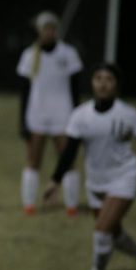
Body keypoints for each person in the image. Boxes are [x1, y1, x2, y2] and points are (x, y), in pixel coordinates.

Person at [43, 62, 136, 270]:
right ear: (92, 83)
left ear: (116, 85)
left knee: (101, 230)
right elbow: (69, 152)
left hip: (123, 178)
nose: (103, 84)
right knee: (113, 233)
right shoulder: (80, 115)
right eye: (98, 79)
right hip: (96, 181)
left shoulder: (128, 114)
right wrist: (54, 180)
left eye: (109, 80)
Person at [17, 11, 83, 216]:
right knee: (33, 160)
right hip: (36, 113)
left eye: (52, 28)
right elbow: (24, 91)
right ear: (38, 31)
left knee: (67, 159)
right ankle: (29, 204)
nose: (49, 32)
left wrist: (76, 115)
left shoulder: (68, 53)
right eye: (45, 28)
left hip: (63, 114)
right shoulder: (29, 55)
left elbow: (75, 88)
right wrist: (22, 120)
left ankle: (71, 206)